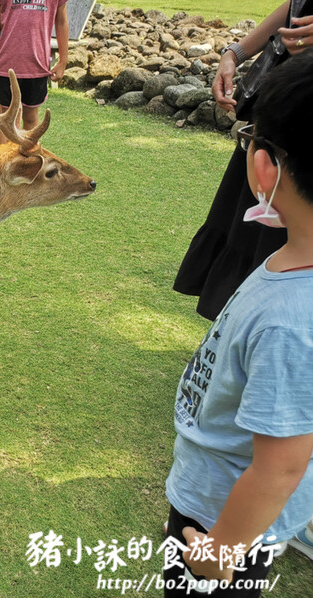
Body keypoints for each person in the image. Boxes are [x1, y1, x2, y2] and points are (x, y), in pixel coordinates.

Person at [162, 50, 313, 597]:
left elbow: (279, 466)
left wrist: (219, 552)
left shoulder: (290, 321)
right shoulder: (290, 261)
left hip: (220, 516)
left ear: (263, 165)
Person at [173, 2, 313, 320]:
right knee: (253, 229)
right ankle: (238, 334)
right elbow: (297, 6)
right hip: (286, 98)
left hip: (302, 112)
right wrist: (234, 53)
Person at [0, 0, 68, 134]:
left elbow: (61, 22)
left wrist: (63, 61)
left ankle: (29, 155)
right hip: (5, 65)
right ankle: (7, 155)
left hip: (37, 66)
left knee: (31, 118)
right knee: (7, 121)